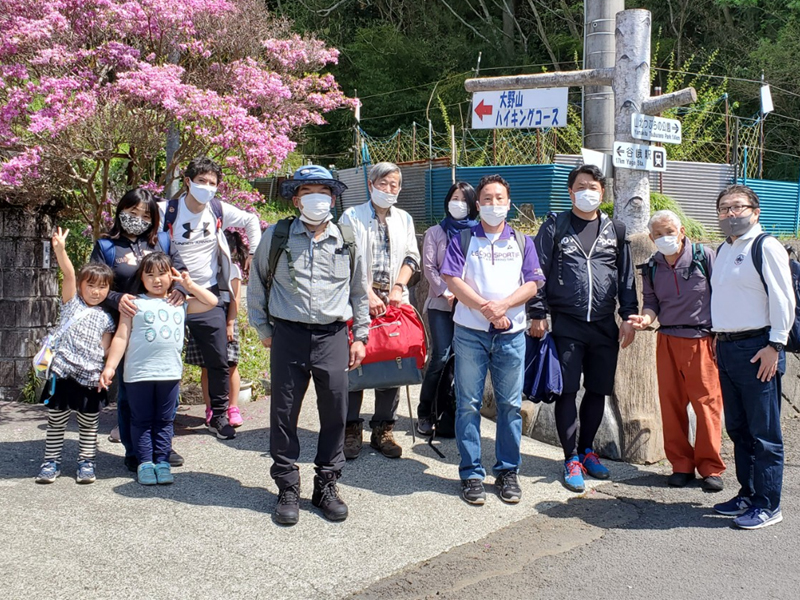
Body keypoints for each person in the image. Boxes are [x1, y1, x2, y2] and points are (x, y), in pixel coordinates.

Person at [248, 165, 369, 525]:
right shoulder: (278, 236)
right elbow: (257, 283)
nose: (317, 198)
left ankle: (326, 486)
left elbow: (359, 292)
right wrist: (262, 327)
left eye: (324, 192)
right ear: (296, 198)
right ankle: (287, 486)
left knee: (335, 410)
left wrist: (360, 336)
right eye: (308, 192)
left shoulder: (346, 239)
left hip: (333, 336)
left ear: (332, 198)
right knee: (284, 413)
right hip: (288, 335)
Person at [528, 164, 637, 493]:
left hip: (604, 325)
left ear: (602, 193)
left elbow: (626, 279)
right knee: (567, 390)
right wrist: (537, 312)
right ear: (570, 191)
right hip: (566, 324)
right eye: (581, 186)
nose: (588, 191)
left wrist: (629, 316)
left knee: (599, 390)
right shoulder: (555, 225)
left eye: (594, 186)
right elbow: (536, 271)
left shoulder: (615, 230)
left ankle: (588, 450)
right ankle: (570, 457)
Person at [440, 174, 544, 505]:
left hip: (511, 333)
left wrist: (503, 306)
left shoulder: (523, 241)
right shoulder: (464, 238)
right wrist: (485, 308)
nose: (494, 204)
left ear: (509, 204)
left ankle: (507, 471)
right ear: (478, 204)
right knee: (467, 403)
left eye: (499, 198)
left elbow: (533, 283)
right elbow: (452, 279)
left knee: (510, 405)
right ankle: (471, 473)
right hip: (470, 333)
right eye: (487, 199)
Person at [709, 185, 794, 530]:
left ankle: (768, 504)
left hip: (759, 347)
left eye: (738, 207)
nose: (731, 214)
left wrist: (776, 344)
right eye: (724, 208)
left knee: (765, 433)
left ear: (755, 212)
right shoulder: (724, 249)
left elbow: (783, 298)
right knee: (739, 429)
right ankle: (748, 493)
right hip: (728, 347)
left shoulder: (765, 246)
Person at [159, 157, 262, 441]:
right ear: (187, 181)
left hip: (208, 294)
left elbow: (251, 220)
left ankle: (218, 415)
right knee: (161, 358)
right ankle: (153, 418)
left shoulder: (217, 209)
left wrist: (253, 251)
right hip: (171, 296)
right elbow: (154, 250)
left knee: (219, 360)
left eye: (212, 183)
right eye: (201, 181)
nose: (206, 187)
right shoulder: (166, 211)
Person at [627, 210, 725, 491]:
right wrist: (644, 319)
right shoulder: (651, 266)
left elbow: (722, 294)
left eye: (669, 231)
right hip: (667, 339)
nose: (664, 237)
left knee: (707, 404)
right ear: (650, 238)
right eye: (657, 234)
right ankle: (681, 464)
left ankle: (710, 468)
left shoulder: (704, 257)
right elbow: (651, 303)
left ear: (682, 231)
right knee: (670, 404)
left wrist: (719, 333)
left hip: (701, 338)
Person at [100, 253, 218, 485]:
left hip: (169, 374)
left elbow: (210, 302)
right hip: (138, 374)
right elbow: (121, 337)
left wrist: (188, 285)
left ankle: (162, 462)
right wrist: (110, 367)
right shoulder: (133, 303)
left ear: (171, 275)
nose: (157, 280)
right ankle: (145, 462)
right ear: (141, 278)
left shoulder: (179, 302)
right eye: (150, 274)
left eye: (162, 274)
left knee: (165, 421)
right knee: (141, 420)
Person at [90, 188, 184, 471]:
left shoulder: (163, 242)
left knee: (165, 391)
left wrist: (179, 288)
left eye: (145, 214)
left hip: (161, 328)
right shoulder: (107, 246)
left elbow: (180, 272)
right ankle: (134, 450)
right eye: (132, 213)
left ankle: (161, 447)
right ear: (121, 211)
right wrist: (118, 299)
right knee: (131, 393)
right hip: (125, 326)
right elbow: (94, 286)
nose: (138, 219)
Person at [339, 161, 420, 459]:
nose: (389, 189)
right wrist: (368, 293)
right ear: (371, 185)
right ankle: (350, 428)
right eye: (383, 183)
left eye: (394, 184)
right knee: (356, 361)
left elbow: (412, 256)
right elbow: (346, 257)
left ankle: (383, 428)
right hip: (359, 301)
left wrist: (398, 288)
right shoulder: (352, 215)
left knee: (393, 361)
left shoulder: (404, 219)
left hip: (395, 304)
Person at [35, 227, 116, 484]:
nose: (95, 291)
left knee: (89, 423)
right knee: (56, 420)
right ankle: (51, 461)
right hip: (63, 372)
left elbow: (106, 349)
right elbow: (68, 273)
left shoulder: (107, 318)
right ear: (81, 286)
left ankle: (86, 462)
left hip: (91, 377)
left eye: (102, 287)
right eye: (90, 285)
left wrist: (107, 371)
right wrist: (60, 249)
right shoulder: (71, 304)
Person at [417, 182, 479, 436]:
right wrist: (447, 291)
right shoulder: (435, 232)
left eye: (464, 200)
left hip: (470, 307)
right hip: (441, 305)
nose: (458, 204)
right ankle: (425, 410)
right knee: (441, 355)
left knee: (460, 361)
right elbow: (429, 267)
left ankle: (447, 413)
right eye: (454, 198)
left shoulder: (478, 232)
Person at [188, 229, 247, 428]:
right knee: (206, 366)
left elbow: (236, 300)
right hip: (203, 319)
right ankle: (210, 407)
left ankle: (232, 407)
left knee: (230, 366)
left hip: (226, 320)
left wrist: (230, 323)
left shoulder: (233, 270)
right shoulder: (201, 268)